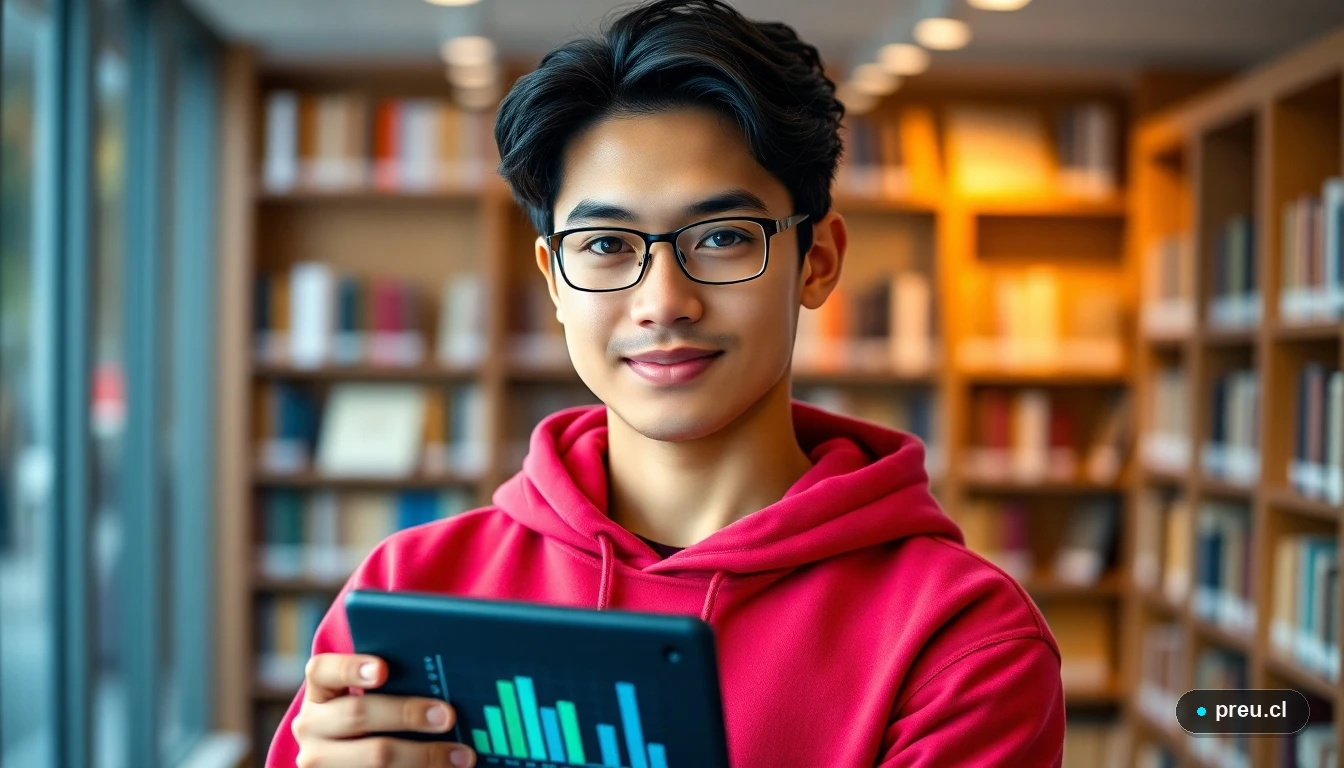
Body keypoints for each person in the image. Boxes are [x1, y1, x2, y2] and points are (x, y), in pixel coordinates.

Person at [267, 1, 1065, 766]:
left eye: (721, 237)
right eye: (607, 244)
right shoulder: (410, 594)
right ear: (553, 279)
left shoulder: (959, 640)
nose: (663, 304)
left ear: (817, 261)